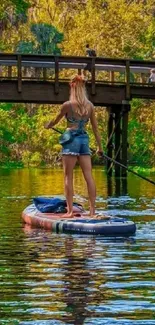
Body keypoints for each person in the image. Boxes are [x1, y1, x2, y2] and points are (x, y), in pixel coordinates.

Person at [44, 74, 103, 217]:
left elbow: (55, 120)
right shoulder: (90, 106)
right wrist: (100, 148)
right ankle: (92, 211)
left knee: (68, 176)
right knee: (88, 176)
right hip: (84, 140)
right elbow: (95, 128)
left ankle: (70, 211)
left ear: (72, 88)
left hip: (71, 140)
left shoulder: (67, 105)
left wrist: (48, 125)